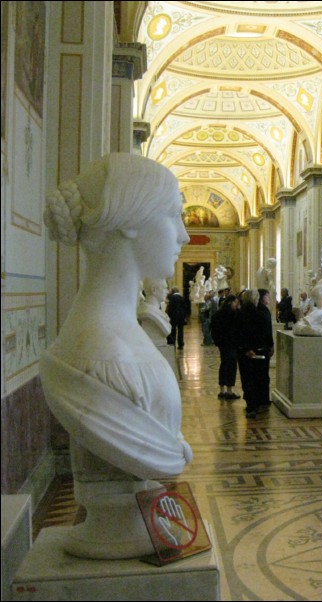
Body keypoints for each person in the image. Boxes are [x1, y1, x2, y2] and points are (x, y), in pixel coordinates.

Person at [40, 152, 193, 558]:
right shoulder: (99, 352)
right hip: (120, 533)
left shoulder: (115, 337)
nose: (184, 235)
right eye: (173, 215)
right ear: (129, 221)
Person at [237, 289, 274, 419]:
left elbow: (239, 334)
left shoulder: (241, 312)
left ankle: (252, 405)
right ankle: (256, 403)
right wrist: (269, 346)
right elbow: (266, 332)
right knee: (258, 377)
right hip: (259, 349)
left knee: (248, 379)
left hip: (246, 352)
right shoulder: (261, 312)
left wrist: (245, 349)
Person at [211, 294, 241, 400]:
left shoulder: (218, 314)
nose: (237, 305)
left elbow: (213, 329)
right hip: (231, 344)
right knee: (231, 366)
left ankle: (222, 389)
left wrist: (217, 341)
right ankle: (229, 390)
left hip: (222, 344)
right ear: (230, 302)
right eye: (235, 302)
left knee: (224, 364)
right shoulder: (234, 314)